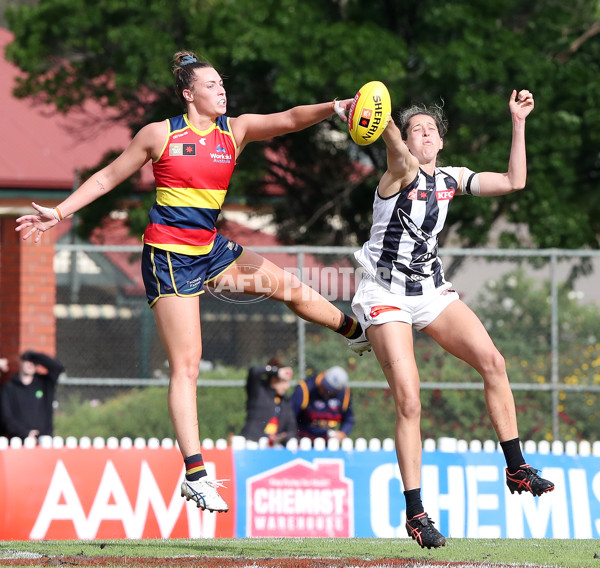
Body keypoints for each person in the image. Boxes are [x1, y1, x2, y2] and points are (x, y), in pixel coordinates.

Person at [15, 50, 369, 514]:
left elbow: (286, 119)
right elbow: (106, 178)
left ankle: (357, 333)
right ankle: (196, 475)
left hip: (211, 250)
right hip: (169, 258)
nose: (222, 90)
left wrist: (335, 108)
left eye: (222, 84)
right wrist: (59, 212)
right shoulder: (160, 134)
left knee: (291, 286)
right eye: (212, 85)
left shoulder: (234, 131)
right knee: (188, 366)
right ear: (189, 94)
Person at [351, 90, 554, 549]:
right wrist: (381, 118)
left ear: (441, 142)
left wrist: (518, 122)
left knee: (493, 362)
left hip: (429, 291)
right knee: (410, 401)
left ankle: (517, 467)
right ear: (405, 139)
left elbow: (513, 181)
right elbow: (397, 151)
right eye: (415, 129)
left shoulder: (450, 177)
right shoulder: (398, 172)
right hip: (385, 294)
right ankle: (416, 513)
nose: (424, 133)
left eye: (431, 129)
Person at [0, 350, 65, 441]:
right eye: (27, 361)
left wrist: (35, 355)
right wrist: (25, 433)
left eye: (34, 362)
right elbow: (6, 417)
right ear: (20, 362)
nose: (30, 364)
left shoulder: (44, 383)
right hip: (18, 441)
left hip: (44, 440)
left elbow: (58, 367)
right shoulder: (9, 388)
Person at [240, 357, 297, 445]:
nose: (287, 387)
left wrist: (283, 437)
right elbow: (254, 371)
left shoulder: (285, 402)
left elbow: (292, 429)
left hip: (273, 447)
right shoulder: (259, 391)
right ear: (274, 380)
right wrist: (277, 371)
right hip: (253, 442)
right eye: (284, 382)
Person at [291, 365, 354, 441]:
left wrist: (342, 433)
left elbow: (348, 418)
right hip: (303, 440)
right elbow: (290, 417)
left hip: (328, 443)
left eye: (329, 389)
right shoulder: (305, 389)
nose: (324, 389)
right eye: (324, 385)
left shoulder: (344, 394)